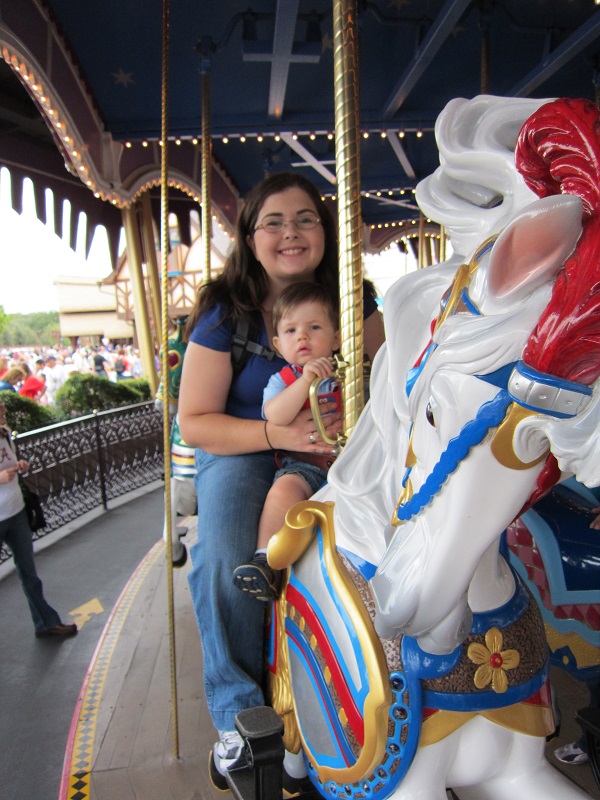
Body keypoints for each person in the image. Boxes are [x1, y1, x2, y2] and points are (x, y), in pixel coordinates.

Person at [178, 172, 385, 781]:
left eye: (305, 219)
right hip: (243, 444)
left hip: (331, 447)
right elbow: (195, 421)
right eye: (274, 221)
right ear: (249, 235)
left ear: (326, 232)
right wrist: (279, 435)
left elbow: (391, 371)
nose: (291, 233)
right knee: (223, 552)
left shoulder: (353, 296)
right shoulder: (225, 310)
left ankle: (367, 685)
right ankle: (240, 715)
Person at [233, 282, 341, 601]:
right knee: (283, 490)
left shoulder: (350, 373)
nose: (302, 336)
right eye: (292, 330)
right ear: (279, 345)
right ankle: (265, 559)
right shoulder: (283, 380)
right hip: (307, 468)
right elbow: (275, 415)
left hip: (353, 464)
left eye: (314, 327)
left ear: (336, 337)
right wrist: (307, 379)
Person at [0, 400, 77, 638]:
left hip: (16, 510)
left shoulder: (5, 434)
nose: (3, 410)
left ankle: (46, 622)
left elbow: (10, 463)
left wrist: (20, 466)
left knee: (29, 573)